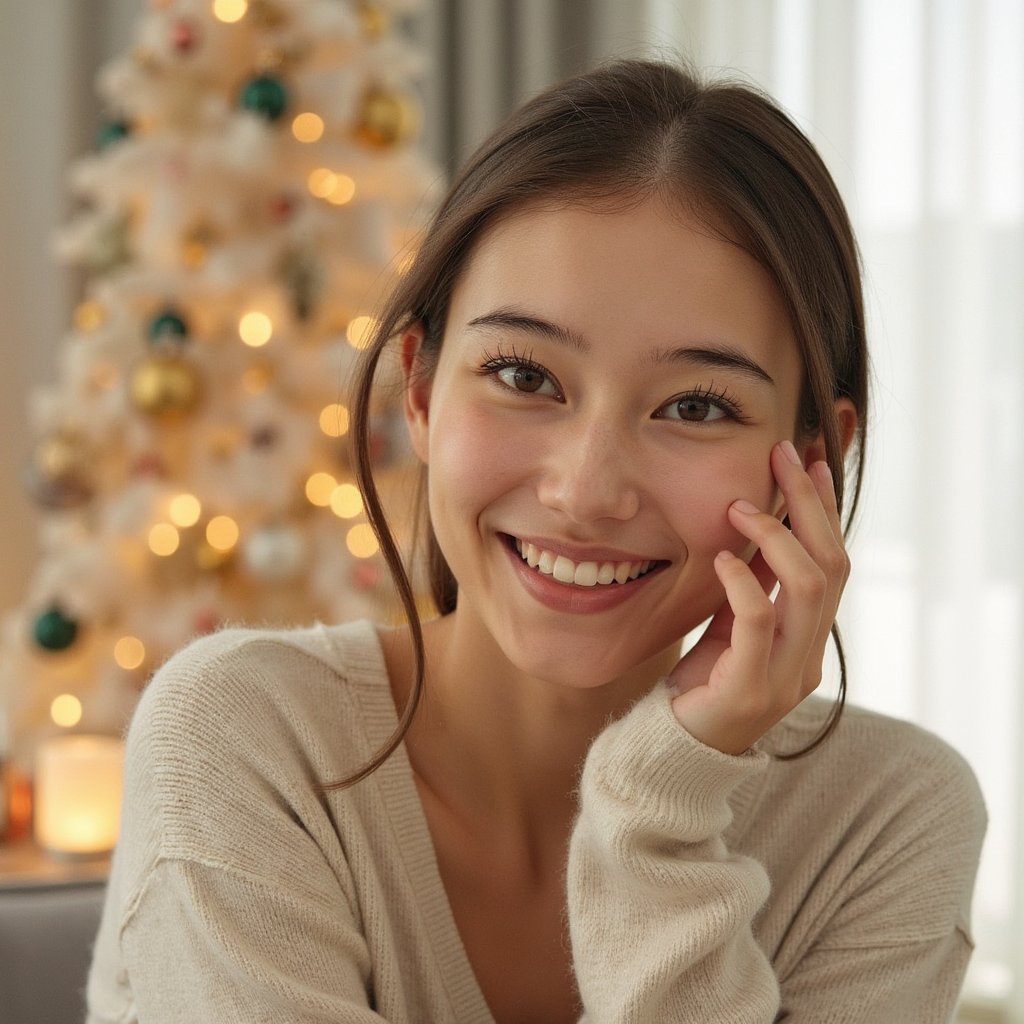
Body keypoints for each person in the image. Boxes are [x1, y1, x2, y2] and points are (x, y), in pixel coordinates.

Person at [86, 59, 985, 1023]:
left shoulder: (889, 820)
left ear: (812, 458)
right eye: (523, 375)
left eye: (696, 404)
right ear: (423, 391)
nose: (586, 490)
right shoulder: (244, 740)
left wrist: (659, 810)